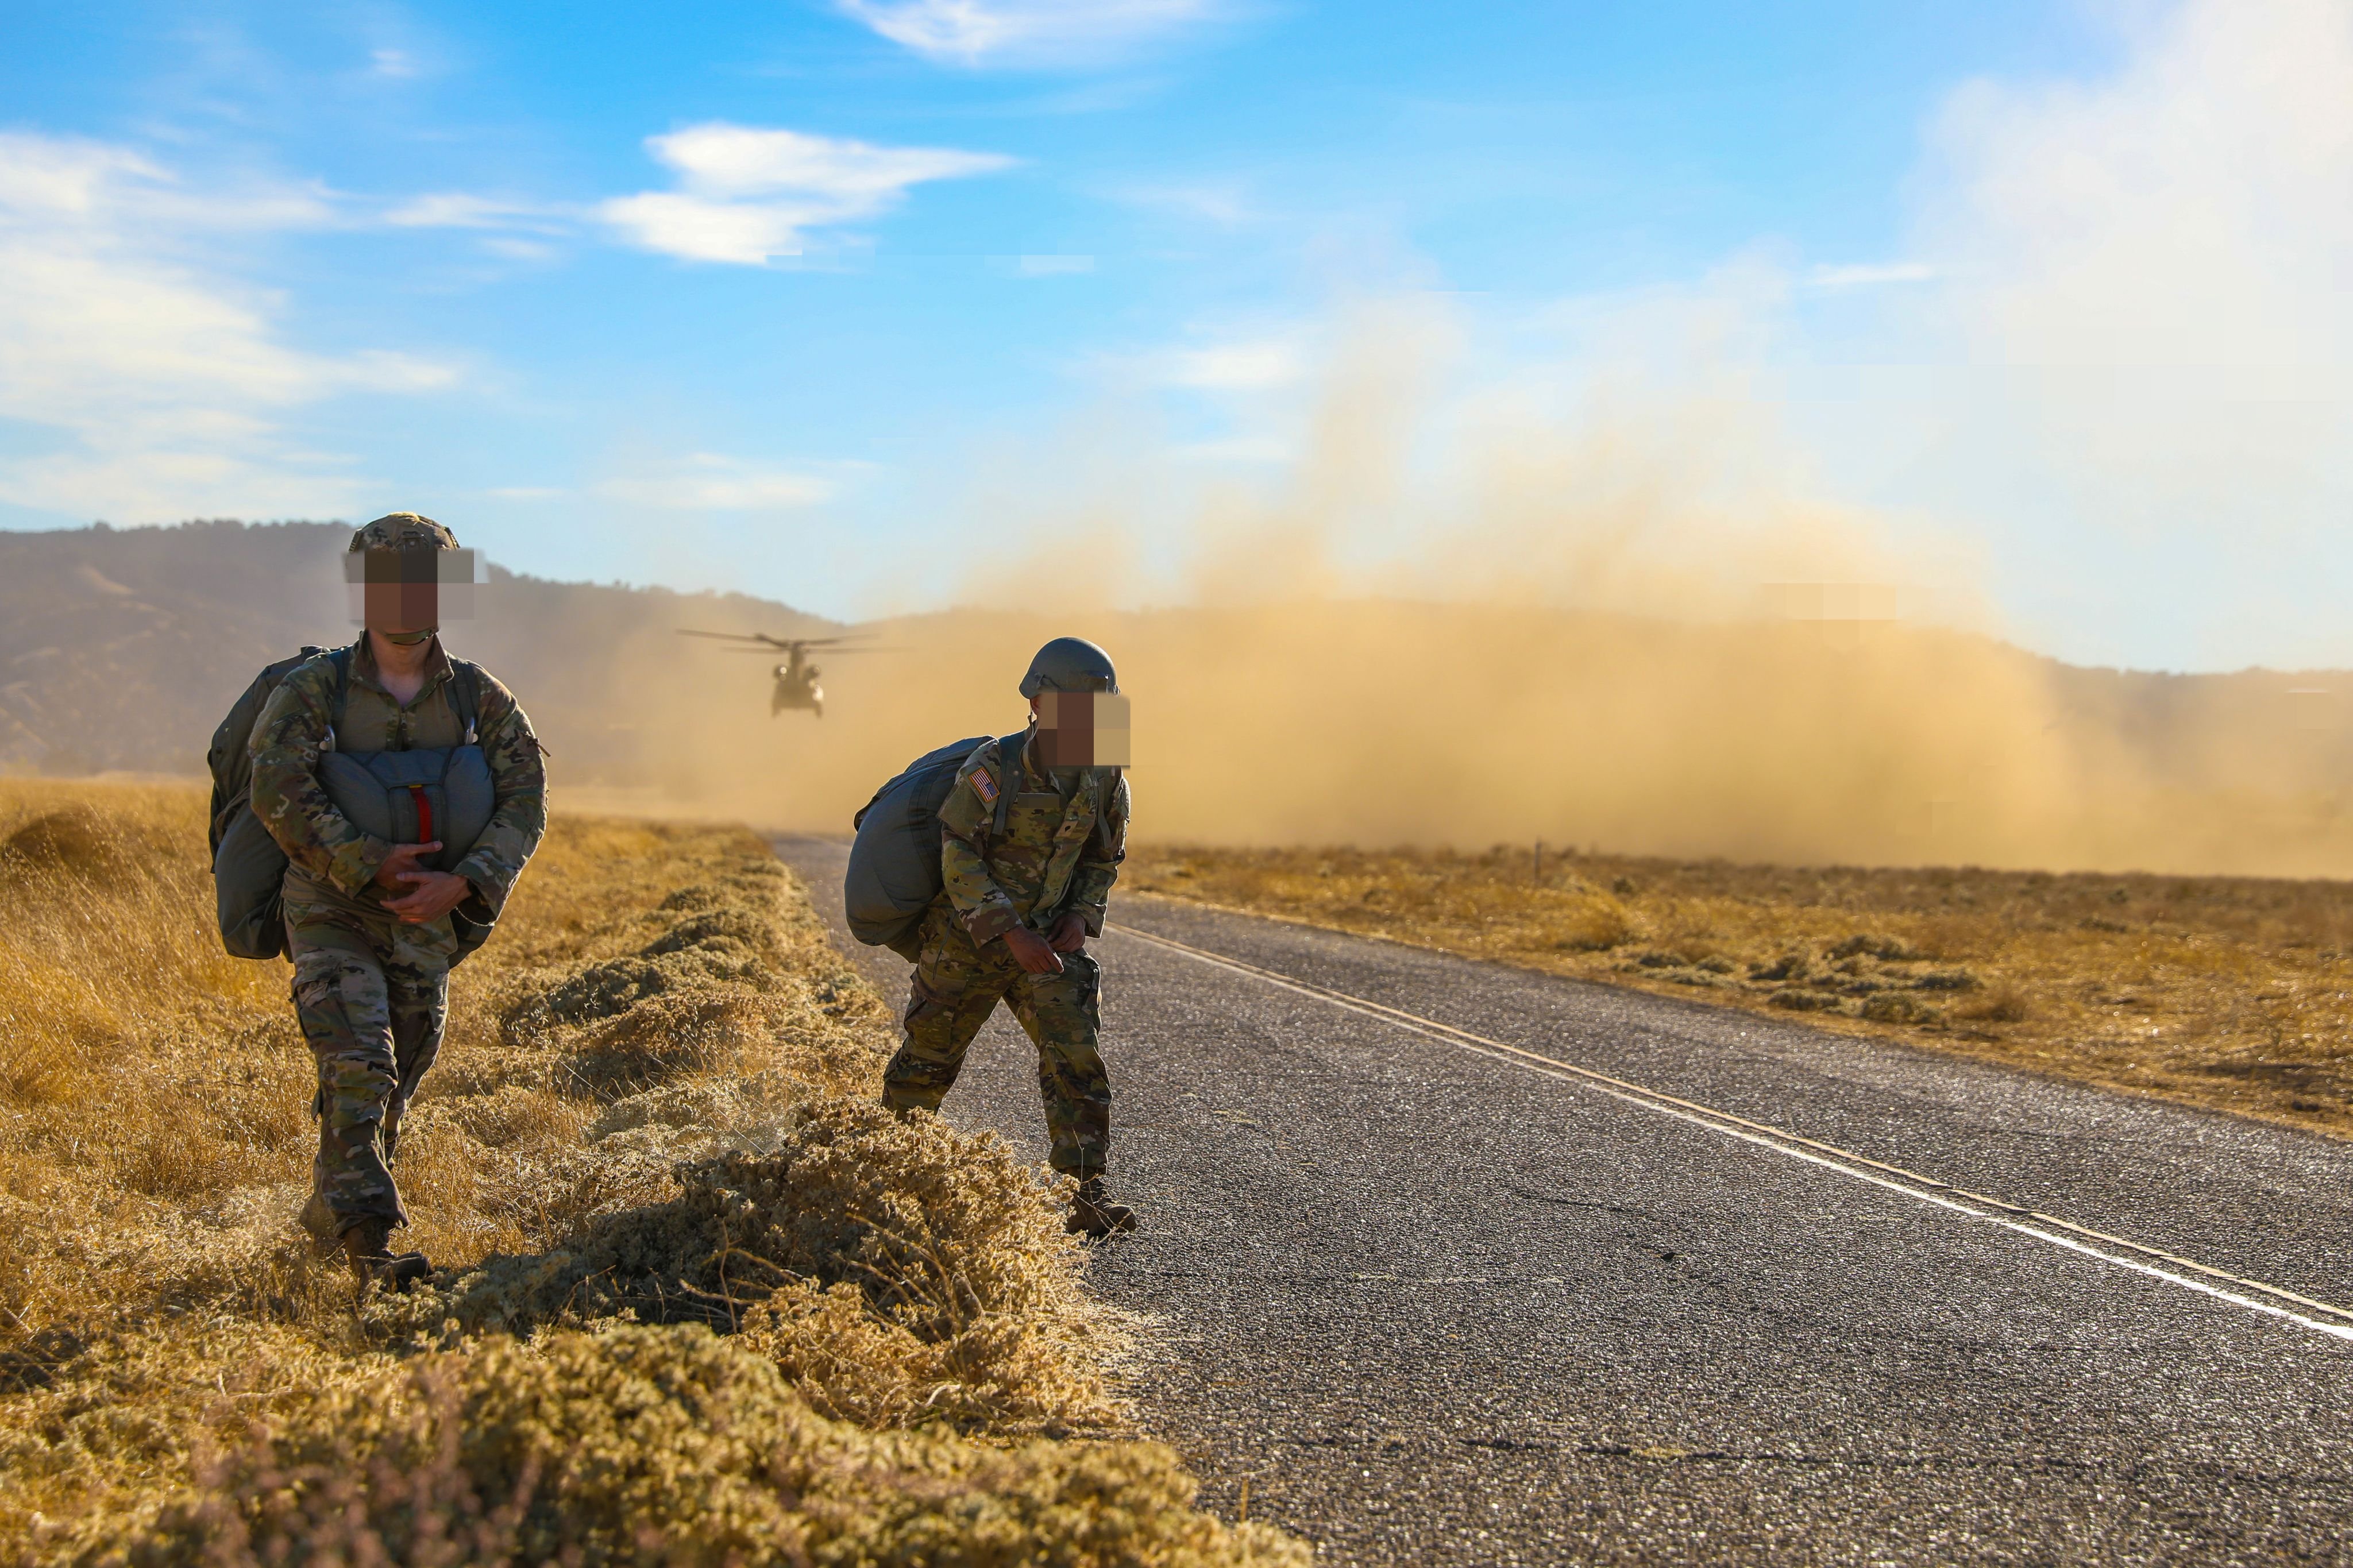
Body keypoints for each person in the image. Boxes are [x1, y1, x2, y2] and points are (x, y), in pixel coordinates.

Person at [248, 513, 546, 1285]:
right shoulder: (313, 690)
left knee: (397, 1080)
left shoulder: (480, 697)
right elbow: (276, 784)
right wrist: (365, 862)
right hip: (332, 908)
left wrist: (467, 880)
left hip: (427, 919)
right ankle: (371, 1251)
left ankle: (333, 1210)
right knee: (360, 1062)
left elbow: (526, 794)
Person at [881, 636, 1138, 1236]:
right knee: (926, 1063)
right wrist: (1009, 931)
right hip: (967, 942)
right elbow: (958, 854)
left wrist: (1081, 915)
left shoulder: (1105, 774)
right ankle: (887, 1181)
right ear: (1039, 704)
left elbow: (1104, 857)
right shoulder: (994, 766)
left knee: (1076, 1060)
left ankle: (1083, 1194)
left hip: (1047, 943)